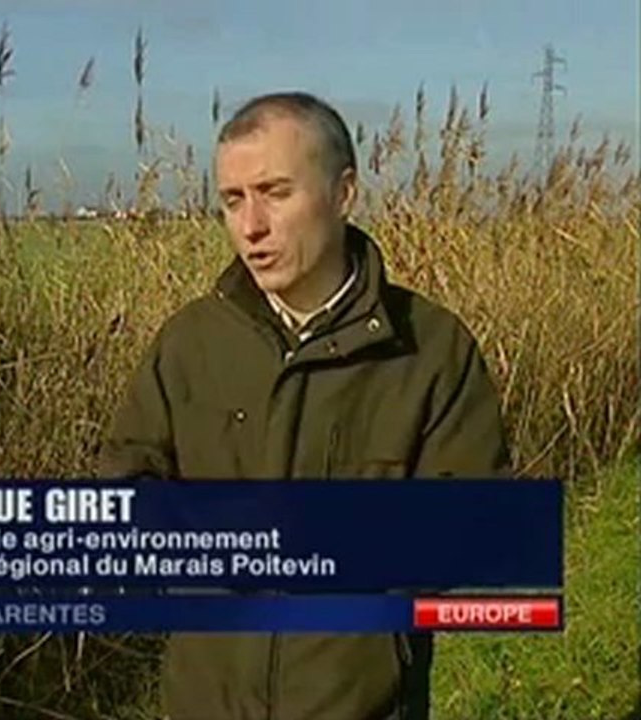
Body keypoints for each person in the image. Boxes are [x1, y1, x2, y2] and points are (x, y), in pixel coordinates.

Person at [98, 91, 510, 720]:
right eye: (233, 200)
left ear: (344, 193)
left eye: (275, 192)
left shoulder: (431, 348)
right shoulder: (189, 343)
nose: (251, 226)